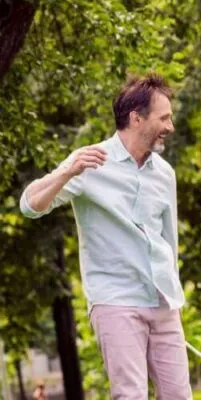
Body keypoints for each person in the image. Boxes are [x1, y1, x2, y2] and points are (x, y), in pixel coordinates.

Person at [19, 73, 190, 399]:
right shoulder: (89, 162)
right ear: (136, 118)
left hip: (164, 303)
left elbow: (170, 241)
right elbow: (30, 205)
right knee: (130, 395)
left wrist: (174, 299)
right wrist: (66, 172)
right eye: (164, 117)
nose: (170, 126)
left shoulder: (164, 174)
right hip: (116, 300)